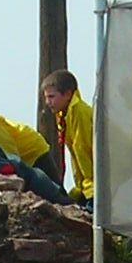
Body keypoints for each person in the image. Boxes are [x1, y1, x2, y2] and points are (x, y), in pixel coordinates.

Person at [41, 68, 95, 203]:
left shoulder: (79, 112)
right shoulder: (64, 115)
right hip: (86, 185)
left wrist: (90, 188)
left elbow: (83, 150)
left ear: (68, 94)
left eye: (51, 97)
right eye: (46, 97)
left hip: (95, 185)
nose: (47, 102)